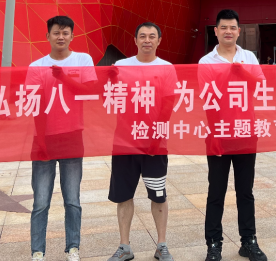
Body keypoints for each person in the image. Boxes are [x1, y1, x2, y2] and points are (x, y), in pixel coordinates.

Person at [199, 9, 267, 261]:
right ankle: (213, 243)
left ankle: (248, 241)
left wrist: (242, 72)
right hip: (218, 132)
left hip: (246, 131)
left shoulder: (249, 57)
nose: (228, 32)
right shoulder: (206, 61)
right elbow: (207, 99)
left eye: (232, 28)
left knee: (245, 191)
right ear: (215, 31)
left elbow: (261, 86)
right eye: (223, 28)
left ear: (239, 31)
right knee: (216, 191)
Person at [29, 16, 97, 261]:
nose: (61, 37)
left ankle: (73, 248)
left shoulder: (83, 60)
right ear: (47, 36)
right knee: (40, 201)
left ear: (72, 36)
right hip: (43, 139)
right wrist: (41, 141)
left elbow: (91, 92)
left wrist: (64, 77)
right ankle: (38, 251)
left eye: (65, 33)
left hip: (72, 136)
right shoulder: (36, 66)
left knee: (72, 199)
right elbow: (36, 106)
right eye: (56, 32)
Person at [108, 22, 177, 261]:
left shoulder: (167, 68)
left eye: (152, 36)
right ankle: (124, 246)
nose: (147, 40)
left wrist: (156, 138)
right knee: (123, 195)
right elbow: (108, 98)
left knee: (158, 195)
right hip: (124, 142)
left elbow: (168, 104)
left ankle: (161, 245)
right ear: (135, 40)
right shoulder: (120, 66)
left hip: (155, 144)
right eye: (143, 36)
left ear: (159, 41)